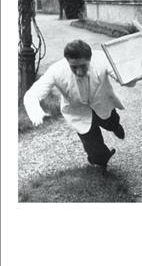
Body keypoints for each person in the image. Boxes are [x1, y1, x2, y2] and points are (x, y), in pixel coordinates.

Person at [23, 39, 133, 172]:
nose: (79, 72)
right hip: (77, 112)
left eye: (83, 66)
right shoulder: (56, 71)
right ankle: (101, 162)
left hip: (102, 103)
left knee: (112, 121)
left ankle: (115, 126)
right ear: (67, 61)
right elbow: (31, 95)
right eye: (74, 67)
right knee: (95, 150)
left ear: (90, 59)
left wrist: (135, 74)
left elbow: (123, 77)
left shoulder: (102, 59)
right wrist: (37, 114)